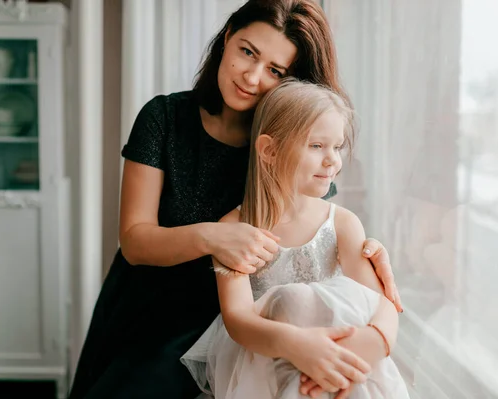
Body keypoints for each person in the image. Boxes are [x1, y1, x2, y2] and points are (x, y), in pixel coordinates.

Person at [68, 1, 403, 398]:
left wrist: (372, 259)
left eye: (275, 71)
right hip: (152, 310)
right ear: (227, 38)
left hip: (243, 322)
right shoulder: (165, 118)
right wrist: (212, 237)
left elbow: (313, 225)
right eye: (247, 51)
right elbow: (135, 241)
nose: (252, 75)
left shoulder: (287, 146)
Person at [181, 78, 410, 399]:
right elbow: (237, 319)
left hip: (342, 359)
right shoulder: (232, 230)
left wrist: (370, 344)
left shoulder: (343, 223)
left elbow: (379, 303)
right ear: (270, 150)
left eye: (337, 146)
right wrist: (297, 346)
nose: (333, 160)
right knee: (292, 301)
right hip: (268, 365)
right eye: (317, 146)